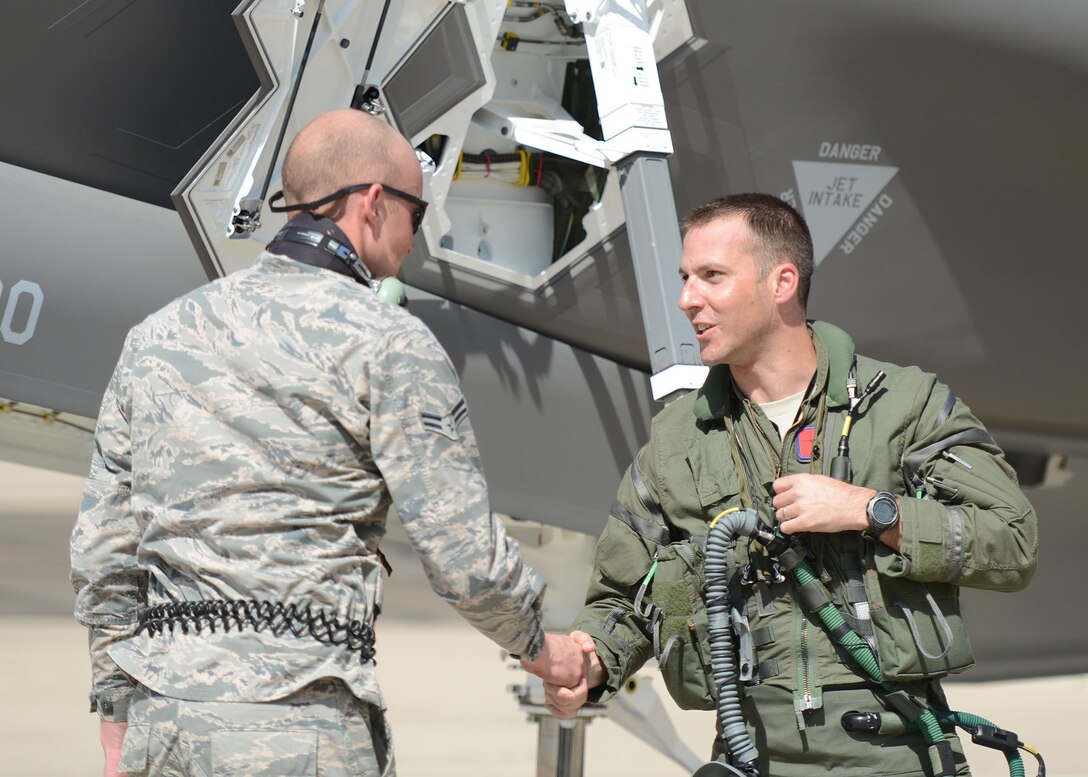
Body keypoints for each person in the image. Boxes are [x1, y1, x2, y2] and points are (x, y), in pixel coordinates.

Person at [70, 109, 582, 777]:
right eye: (416, 219)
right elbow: (465, 559)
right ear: (373, 203)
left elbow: (105, 551)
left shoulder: (159, 335)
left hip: (164, 725)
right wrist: (544, 646)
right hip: (301, 728)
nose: (411, 246)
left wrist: (117, 712)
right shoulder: (389, 343)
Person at [526, 193, 1038, 776]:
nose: (687, 299)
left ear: (782, 283)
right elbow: (628, 596)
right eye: (685, 278)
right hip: (750, 757)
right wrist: (590, 658)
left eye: (711, 276)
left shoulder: (905, 408)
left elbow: (1012, 541)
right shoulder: (679, 443)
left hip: (893, 755)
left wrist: (872, 510)